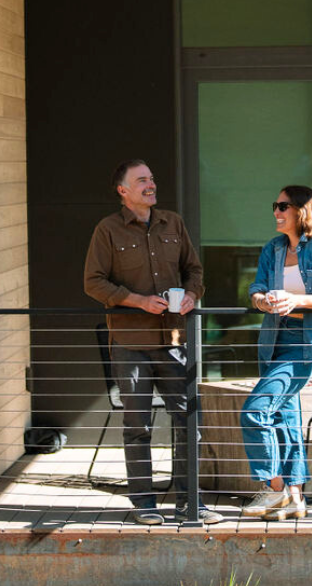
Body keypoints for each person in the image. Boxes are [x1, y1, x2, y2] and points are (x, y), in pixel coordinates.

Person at [83, 159, 222, 526]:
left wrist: (192, 294)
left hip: (174, 340)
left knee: (188, 420)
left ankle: (191, 503)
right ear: (123, 191)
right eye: (141, 180)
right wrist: (138, 301)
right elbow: (93, 282)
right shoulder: (108, 230)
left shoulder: (172, 223)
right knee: (138, 426)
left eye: (152, 179)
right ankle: (144, 504)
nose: (151, 184)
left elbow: (194, 269)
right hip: (130, 343)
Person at [239, 185, 312, 521]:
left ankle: (273, 489)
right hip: (274, 337)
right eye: (275, 205)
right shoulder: (274, 248)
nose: (276, 211)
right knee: (285, 418)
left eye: (283, 205)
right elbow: (255, 289)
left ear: (303, 210)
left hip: (306, 340)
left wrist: (294, 300)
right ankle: (296, 498)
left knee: (255, 410)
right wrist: (262, 300)